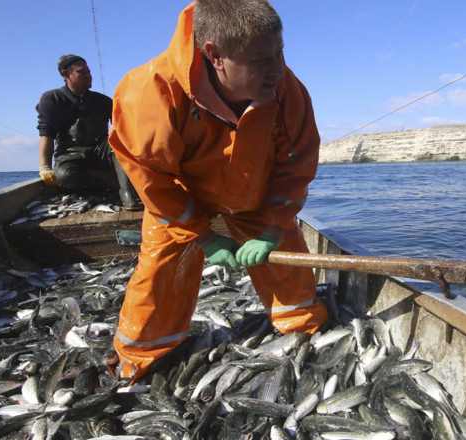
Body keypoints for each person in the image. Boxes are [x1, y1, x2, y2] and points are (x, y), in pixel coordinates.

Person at [109, 0, 328, 381]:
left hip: (253, 192)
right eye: (261, 60)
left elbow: (297, 166)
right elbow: (152, 181)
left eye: (280, 53)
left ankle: (306, 335)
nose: (277, 69)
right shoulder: (150, 91)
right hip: (181, 193)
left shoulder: (287, 89)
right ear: (215, 56)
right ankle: (138, 361)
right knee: (160, 272)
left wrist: (273, 228)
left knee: (287, 260)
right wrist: (203, 237)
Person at [36, 54, 141, 209]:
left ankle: (126, 193)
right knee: (65, 176)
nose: (88, 76)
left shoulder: (103, 101)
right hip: (71, 154)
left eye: (89, 72)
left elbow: (125, 128)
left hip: (101, 150)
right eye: (81, 72)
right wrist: (45, 167)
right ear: (65, 74)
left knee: (119, 142)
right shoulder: (52, 98)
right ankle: (109, 183)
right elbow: (47, 134)